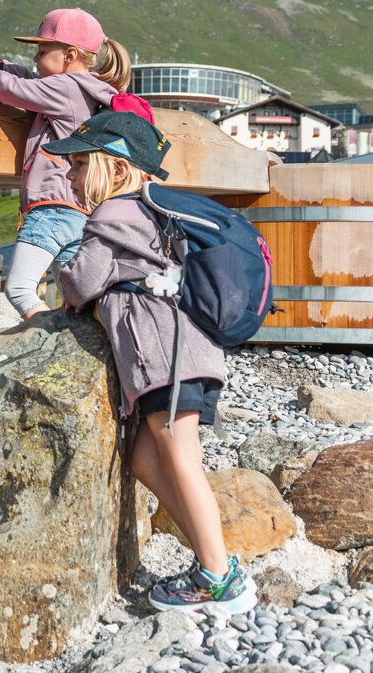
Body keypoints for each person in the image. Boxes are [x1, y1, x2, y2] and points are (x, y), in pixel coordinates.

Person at [50, 111, 257, 615]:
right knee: (146, 461)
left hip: (166, 357)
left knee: (182, 460)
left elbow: (80, 283)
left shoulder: (112, 215)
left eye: (80, 165)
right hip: (182, 355)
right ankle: (215, 561)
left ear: (117, 170)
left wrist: (60, 265)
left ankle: (218, 579)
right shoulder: (147, 213)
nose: (70, 175)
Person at [0, 8, 135, 318]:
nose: (35, 58)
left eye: (42, 51)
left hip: (52, 208)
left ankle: (43, 336)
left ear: (70, 55)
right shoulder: (88, 89)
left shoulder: (66, 88)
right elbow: (25, 77)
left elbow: (14, 88)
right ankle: (78, 343)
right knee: (75, 300)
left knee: (20, 289)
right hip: (78, 211)